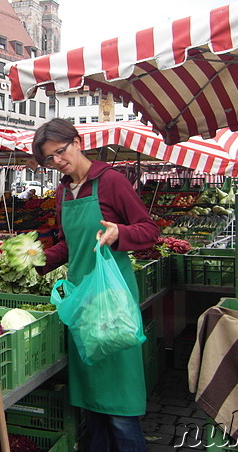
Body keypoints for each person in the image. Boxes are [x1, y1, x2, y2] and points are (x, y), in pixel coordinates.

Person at [31, 118, 159, 452]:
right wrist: (35, 261)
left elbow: (149, 230)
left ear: (77, 142)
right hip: (81, 302)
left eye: (60, 152)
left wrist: (120, 234)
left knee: (119, 405)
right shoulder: (63, 191)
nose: (58, 161)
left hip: (113, 301)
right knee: (91, 403)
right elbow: (69, 244)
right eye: (49, 159)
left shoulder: (111, 181)